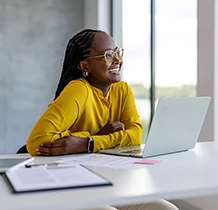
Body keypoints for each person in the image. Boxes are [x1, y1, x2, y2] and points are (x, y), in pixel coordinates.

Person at [26, 29, 178, 210]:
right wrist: (94, 138)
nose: (118, 61)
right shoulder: (78, 89)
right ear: (85, 67)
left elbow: (135, 135)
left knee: (167, 209)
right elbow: (37, 141)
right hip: (71, 184)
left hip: (111, 179)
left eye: (117, 53)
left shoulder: (122, 90)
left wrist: (88, 142)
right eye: (108, 55)